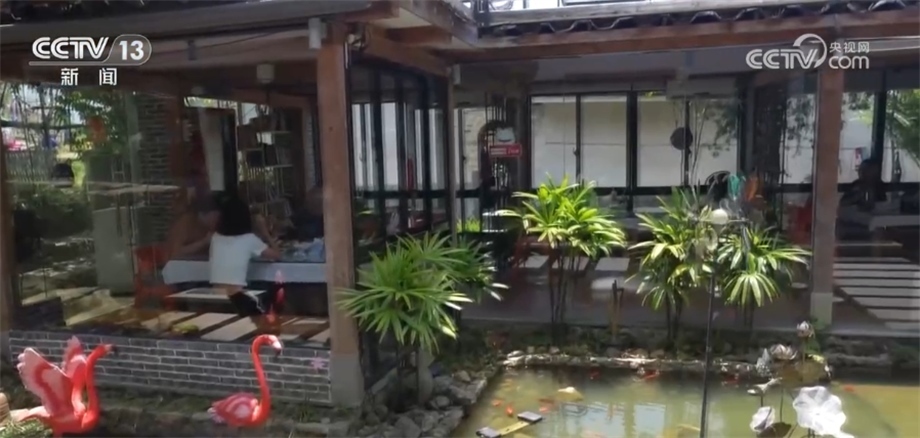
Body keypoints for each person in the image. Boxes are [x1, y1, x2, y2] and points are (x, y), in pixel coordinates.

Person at [210, 194, 283, 318]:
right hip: (236, 297)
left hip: (214, 295)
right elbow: (277, 255)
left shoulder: (215, 237)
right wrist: (265, 232)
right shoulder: (249, 239)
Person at [165, 191, 221, 259]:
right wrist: (204, 242)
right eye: (217, 216)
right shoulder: (185, 223)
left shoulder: (212, 227)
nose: (218, 220)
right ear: (206, 213)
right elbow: (176, 253)